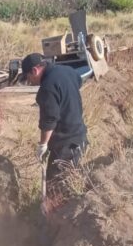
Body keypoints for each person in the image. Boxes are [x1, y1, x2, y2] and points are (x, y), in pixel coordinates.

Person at [21, 52, 88, 183]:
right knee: (70, 179)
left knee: (56, 185)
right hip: (80, 136)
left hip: (66, 144)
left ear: (35, 70)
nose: (29, 82)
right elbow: (79, 82)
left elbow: (49, 119)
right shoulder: (67, 70)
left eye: (28, 77)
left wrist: (43, 144)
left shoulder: (47, 87)